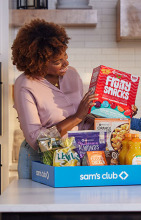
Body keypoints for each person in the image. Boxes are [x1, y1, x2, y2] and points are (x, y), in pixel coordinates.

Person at [12, 19, 98, 179]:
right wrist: (77, 117)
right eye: (57, 62)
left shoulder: (72, 74)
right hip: (39, 160)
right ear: (37, 63)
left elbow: (83, 120)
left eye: (65, 54)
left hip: (74, 155)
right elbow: (37, 142)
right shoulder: (25, 85)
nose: (66, 62)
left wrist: (112, 112)